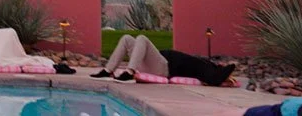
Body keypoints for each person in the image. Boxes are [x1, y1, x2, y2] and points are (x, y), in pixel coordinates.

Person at [91, 34, 236, 86]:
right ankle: (108, 71)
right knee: (127, 38)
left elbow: (214, 78)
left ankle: (130, 71)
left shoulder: (205, 66)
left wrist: (223, 70)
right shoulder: (203, 61)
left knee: (142, 38)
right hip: (152, 64)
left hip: (163, 68)